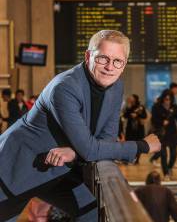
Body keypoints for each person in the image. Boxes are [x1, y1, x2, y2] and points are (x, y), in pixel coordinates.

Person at [0, 30, 161, 221]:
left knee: (92, 211)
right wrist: (142, 145)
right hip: (14, 168)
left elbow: (105, 139)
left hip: (58, 169)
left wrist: (76, 152)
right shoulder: (65, 87)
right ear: (88, 56)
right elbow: (90, 149)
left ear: (124, 64)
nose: (110, 67)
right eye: (103, 58)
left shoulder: (116, 86)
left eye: (118, 61)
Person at [151, 89, 177, 181]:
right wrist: (162, 122)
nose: (167, 101)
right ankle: (166, 173)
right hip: (161, 133)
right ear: (163, 98)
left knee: (174, 154)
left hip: (172, 133)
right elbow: (153, 120)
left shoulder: (174, 107)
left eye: (169, 99)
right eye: (166, 99)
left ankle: (170, 167)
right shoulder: (156, 107)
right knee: (163, 155)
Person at [123, 94, 147, 163]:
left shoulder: (140, 107)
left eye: (132, 99)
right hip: (130, 129)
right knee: (129, 144)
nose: (130, 100)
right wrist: (128, 108)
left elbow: (144, 116)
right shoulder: (129, 107)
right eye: (130, 99)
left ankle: (137, 159)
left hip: (139, 129)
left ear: (135, 99)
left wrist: (137, 115)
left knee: (138, 144)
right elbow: (125, 116)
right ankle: (128, 159)